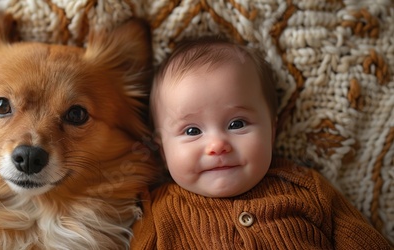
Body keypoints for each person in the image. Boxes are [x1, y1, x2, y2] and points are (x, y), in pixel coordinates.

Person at [130, 37, 391, 249]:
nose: (217, 145)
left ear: (272, 131)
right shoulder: (157, 212)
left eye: (237, 124)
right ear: (163, 149)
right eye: (192, 130)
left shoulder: (305, 188)